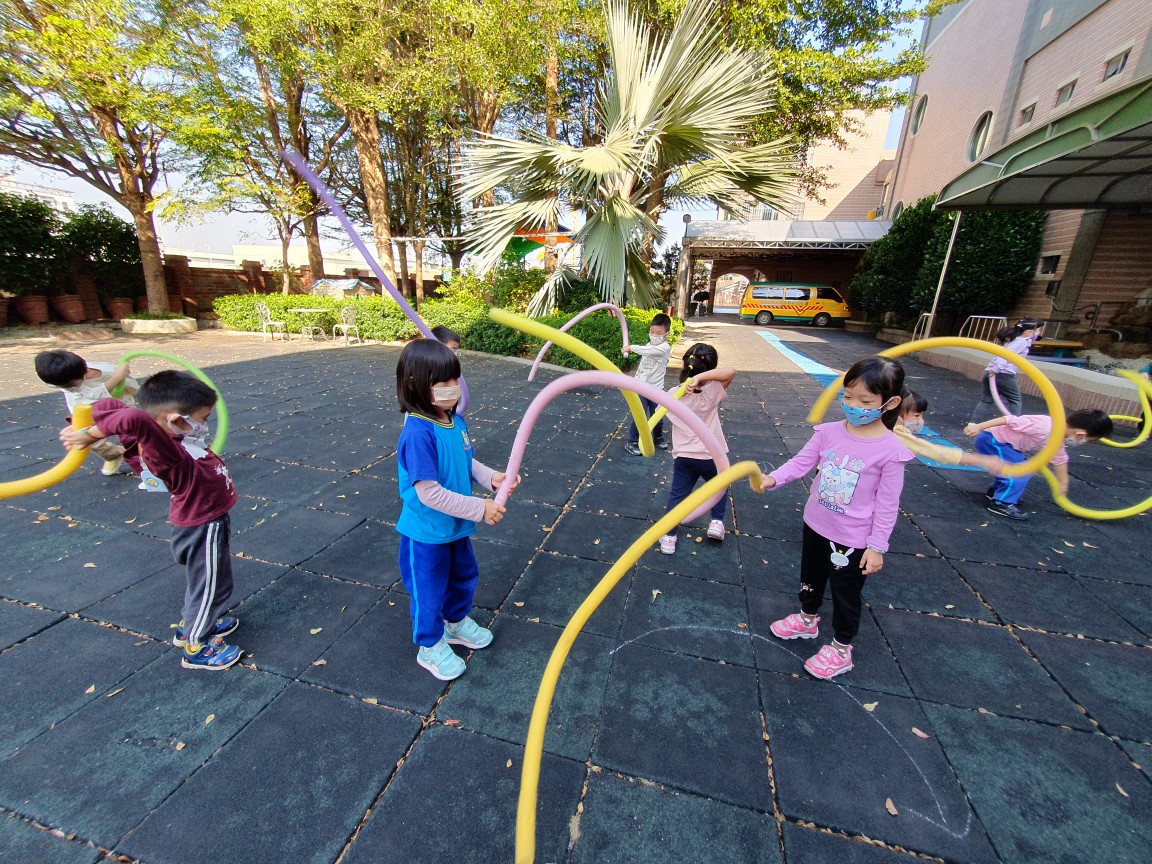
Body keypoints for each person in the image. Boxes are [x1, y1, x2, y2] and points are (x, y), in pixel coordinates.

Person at [59, 371, 244, 670]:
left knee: (208, 582)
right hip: (203, 526)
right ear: (173, 419)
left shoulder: (172, 438)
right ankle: (197, 644)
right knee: (212, 586)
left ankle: (195, 623)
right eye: (203, 418)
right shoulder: (167, 453)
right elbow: (135, 417)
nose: (205, 424)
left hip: (202, 522)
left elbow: (116, 408)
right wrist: (89, 434)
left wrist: (84, 420)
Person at [760, 357, 915, 680]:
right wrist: (773, 478)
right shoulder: (829, 432)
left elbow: (888, 504)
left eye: (865, 402)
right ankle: (807, 619)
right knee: (810, 578)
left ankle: (842, 648)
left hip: (852, 539)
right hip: (816, 524)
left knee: (846, 593)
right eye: (847, 397)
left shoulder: (890, 451)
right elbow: (801, 463)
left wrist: (877, 546)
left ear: (890, 403)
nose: (853, 406)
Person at [394, 339, 519, 680]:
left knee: (463, 575)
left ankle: (455, 622)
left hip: (455, 526)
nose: (453, 387)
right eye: (443, 382)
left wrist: (490, 478)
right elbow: (429, 493)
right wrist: (480, 508)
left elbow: (465, 459)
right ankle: (429, 644)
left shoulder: (453, 420)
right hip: (427, 532)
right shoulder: (418, 433)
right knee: (428, 588)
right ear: (415, 384)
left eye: (455, 379)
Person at [964, 409, 1113, 521]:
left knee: (1015, 466)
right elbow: (1009, 419)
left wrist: (1063, 483)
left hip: (1007, 445)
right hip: (993, 440)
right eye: (1089, 440)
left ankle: (996, 492)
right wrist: (979, 426)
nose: (1085, 443)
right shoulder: (1045, 426)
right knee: (1020, 471)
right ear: (1081, 435)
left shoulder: (1058, 438)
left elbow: (1060, 460)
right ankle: (1002, 502)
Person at [657, 343, 735, 554]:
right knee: (719, 486)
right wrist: (700, 379)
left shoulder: (674, 394)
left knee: (677, 496)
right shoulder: (713, 391)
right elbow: (730, 372)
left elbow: (658, 411)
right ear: (710, 369)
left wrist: (688, 385)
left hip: (684, 457)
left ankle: (669, 537)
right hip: (712, 456)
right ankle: (716, 522)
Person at [35, 350, 136, 476]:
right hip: (87, 410)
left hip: (120, 403)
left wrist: (121, 375)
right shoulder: (67, 384)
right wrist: (117, 377)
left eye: (70, 385)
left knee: (132, 432)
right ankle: (114, 455)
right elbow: (90, 396)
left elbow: (121, 379)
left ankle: (143, 457)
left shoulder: (93, 369)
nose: (67, 388)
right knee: (90, 441)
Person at [896, 389, 1006, 474]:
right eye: (916, 415)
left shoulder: (891, 430)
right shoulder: (898, 435)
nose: (921, 420)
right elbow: (935, 451)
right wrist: (980, 460)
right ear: (896, 413)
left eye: (922, 415)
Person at [970, 318, 1044, 423]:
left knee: (986, 400)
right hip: (1002, 373)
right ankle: (1013, 424)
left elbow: (1028, 341)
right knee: (1015, 400)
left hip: (990, 371)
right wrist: (997, 369)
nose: (1039, 333)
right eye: (1038, 330)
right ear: (1029, 332)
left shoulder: (1014, 339)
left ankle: (973, 423)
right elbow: (1006, 354)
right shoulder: (1021, 342)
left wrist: (994, 369)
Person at [623, 313, 673, 455]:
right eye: (652, 332)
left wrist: (630, 347)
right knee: (640, 416)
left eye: (658, 333)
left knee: (657, 416)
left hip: (656, 389)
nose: (654, 335)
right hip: (640, 387)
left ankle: (657, 438)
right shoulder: (649, 344)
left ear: (667, 334)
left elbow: (649, 351)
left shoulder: (664, 348)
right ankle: (632, 442)